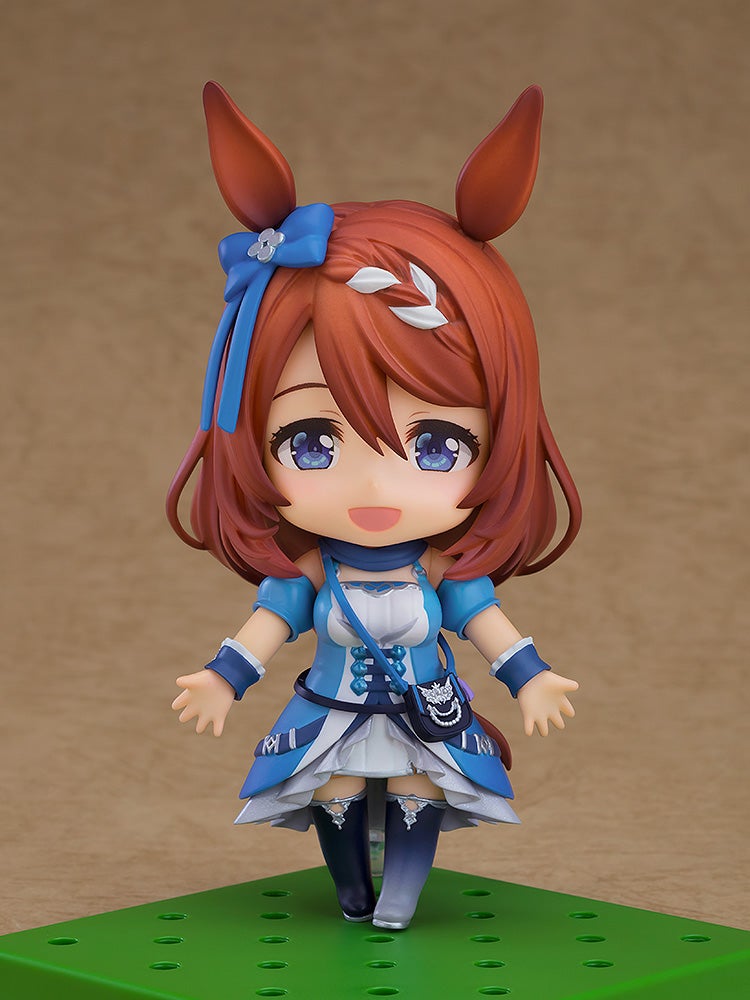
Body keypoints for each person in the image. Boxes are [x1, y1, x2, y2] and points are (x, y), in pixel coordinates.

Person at [167, 81, 581, 930]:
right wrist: (220, 679)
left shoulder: (442, 569)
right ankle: (354, 888)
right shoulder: (313, 569)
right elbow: (265, 627)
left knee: (424, 788)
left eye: (438, 446)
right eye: (312, 442)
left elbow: (490, 627)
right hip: (334, 717)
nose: (375, 486)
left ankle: (401, 894)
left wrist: (533, 680)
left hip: (427, 715)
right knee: (339, 792)